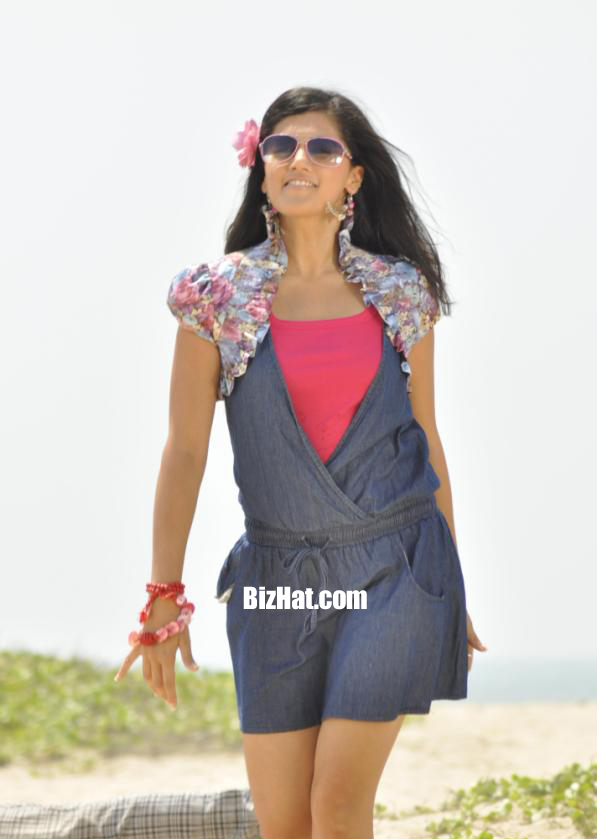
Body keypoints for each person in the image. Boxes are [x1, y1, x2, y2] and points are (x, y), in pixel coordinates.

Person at [115, 85, 488, 839]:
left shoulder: (399, 293)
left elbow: (426, 438)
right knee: (284, 824)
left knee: (338, 809)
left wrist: (450, 581)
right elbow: (184, 451)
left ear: (353, 176)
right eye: (281, 145)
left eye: (322, 147)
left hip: (393, 570)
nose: (298, 159)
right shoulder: (215, 297)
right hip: (274, 579)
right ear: (260, 168)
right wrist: (163, 594)